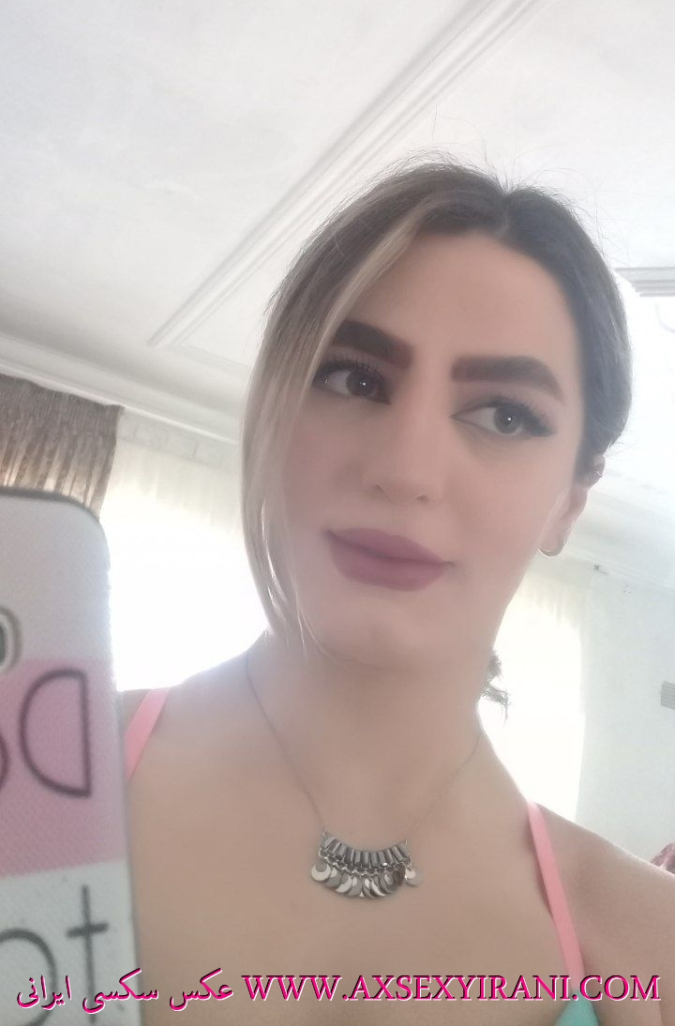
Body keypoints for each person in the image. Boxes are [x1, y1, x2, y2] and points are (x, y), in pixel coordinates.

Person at [121, 157, 675, 1023]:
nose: (405, 470)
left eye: (503, 414)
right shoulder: (28, 775)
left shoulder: (647, 941)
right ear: (273, 407)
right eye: (354, 377)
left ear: (570, 498)